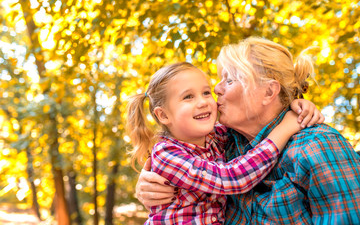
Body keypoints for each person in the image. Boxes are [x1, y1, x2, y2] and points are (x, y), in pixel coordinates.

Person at [135, 37, 360, 224]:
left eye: (229, 80)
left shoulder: (318, 146)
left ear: (268, 92)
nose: (216, 89)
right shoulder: (227, 145)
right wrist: (148, 185)